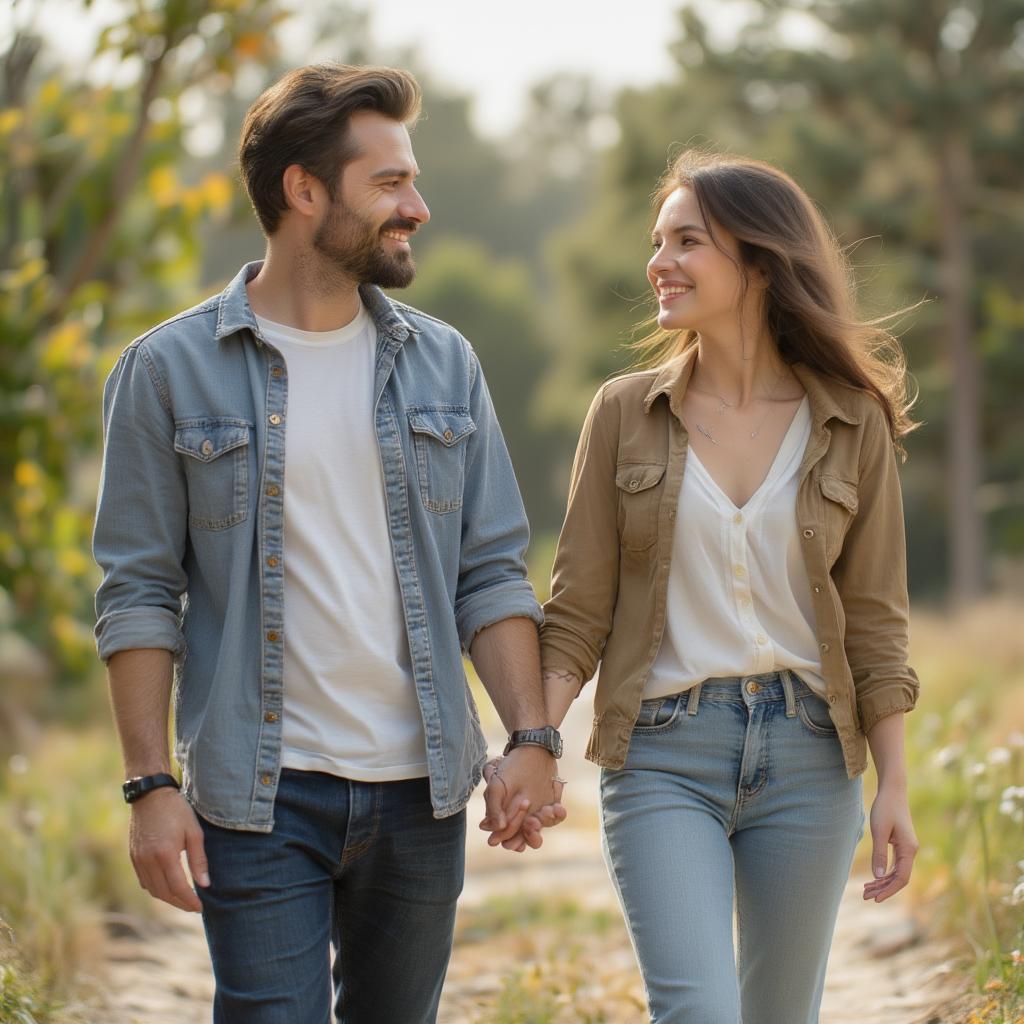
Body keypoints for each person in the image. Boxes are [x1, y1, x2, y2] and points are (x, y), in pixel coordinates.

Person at [92, 63, 565, 1024]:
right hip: (259, 798)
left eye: (414, 180)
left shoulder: (443, 363)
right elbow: (139, 592)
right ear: (304, 191)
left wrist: (532, 738)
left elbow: (489, 574)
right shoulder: (167, 372)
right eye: (389, 183)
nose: (418, 207)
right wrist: (149, 787)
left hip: (420, 793)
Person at [538, 150, 920, 1023]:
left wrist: (891, 783)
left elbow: (876, 623)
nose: (658, 263)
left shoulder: (851, 420)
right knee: (698, 1012)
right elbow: (578, 608)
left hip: (809, 757)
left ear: (758, 261)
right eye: (657, 240)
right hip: (665, 752)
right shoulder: (625, 413)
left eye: (686, 241)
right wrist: (536, 740)